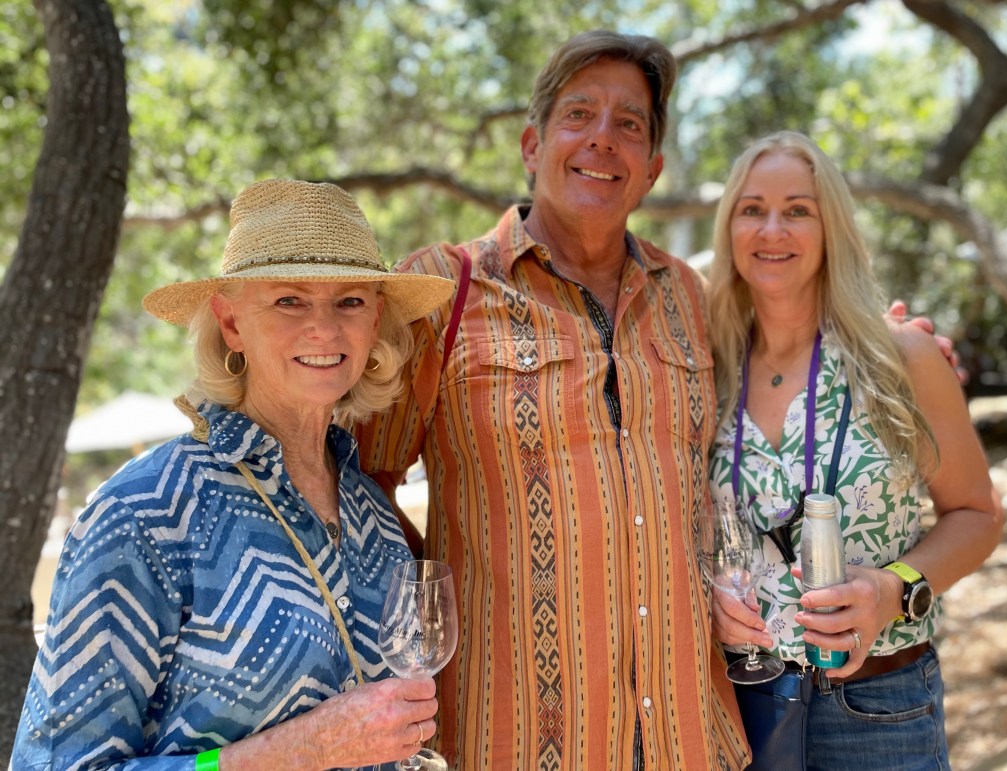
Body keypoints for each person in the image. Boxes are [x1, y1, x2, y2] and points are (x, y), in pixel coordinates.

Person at [356, 30, 750, 769]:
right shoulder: (440, 289)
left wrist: (904, 351)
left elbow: (783, 385)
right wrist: (444, 581)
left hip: (691, 736)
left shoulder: (690, 296)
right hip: (513, 739)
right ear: (532, 145)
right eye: (579, 114)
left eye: (629, 124)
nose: (603, 138)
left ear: (652, 169)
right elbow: (354, 481)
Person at [12, 179, 455, 770]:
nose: (324, 328)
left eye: (350, 301)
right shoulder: (146, 511)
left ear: (375, 320)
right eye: (289, 300)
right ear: (231, 323)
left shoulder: (371, 509)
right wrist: (301, 750)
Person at [705, 131, 1004, 769]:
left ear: (831, 228)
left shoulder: (901, 357)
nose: (772, 229)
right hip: (740, 706)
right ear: (730, 228)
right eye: (753, 209)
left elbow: (979, 515)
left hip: (880, 713)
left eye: (798, 210)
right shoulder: (706, 365)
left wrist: (894, 590)